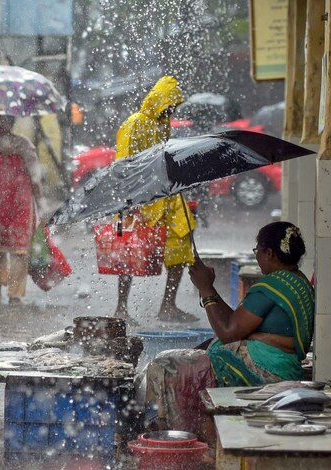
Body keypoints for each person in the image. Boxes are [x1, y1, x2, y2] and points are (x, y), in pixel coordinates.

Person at [143, 221, 314, 437]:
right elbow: (236, 321)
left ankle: (180, 438)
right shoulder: (297, 281)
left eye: (257, 251)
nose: (257, 257)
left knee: (164, 365)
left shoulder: (271, 286)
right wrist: (209, 288)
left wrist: (205, 289)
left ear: (269, 253)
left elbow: (227, 332)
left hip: (265, 372)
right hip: (282, 367)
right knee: (190, 356)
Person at [114, 75, 197, 323]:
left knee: (182, 242)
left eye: (174, 107)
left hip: (168, 197)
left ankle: (168, 306)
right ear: (157, 101)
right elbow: (124, 164)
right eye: (169, 106)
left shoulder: (164, 124)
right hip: (141, 198)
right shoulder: (134, 124)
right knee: (130, 249)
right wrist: (129, 202)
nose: (171, 111)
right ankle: (121, 308)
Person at [0, 115, 42, 305]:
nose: (0, 123)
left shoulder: (24, 145)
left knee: (20, 250)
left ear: (13, 121)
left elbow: (35, 175)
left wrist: (40, 203)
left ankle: (15, 294)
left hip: (20, 201)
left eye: (5, 120)